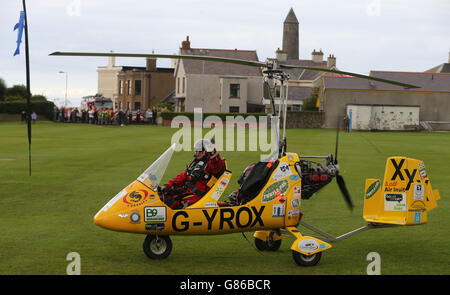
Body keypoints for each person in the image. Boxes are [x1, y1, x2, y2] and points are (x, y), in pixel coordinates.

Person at [159, 139, 225, 209]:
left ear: (206, 151)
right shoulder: (196, 162)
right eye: (196, 150)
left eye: (200, 151)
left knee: (171, 202)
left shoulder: (209, 164)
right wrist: (169, 185)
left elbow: (216, 166)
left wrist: (212, 152)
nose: (197, 153)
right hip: (187, 191)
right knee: (164, 196)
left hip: (198, 196)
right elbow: (184, 176)